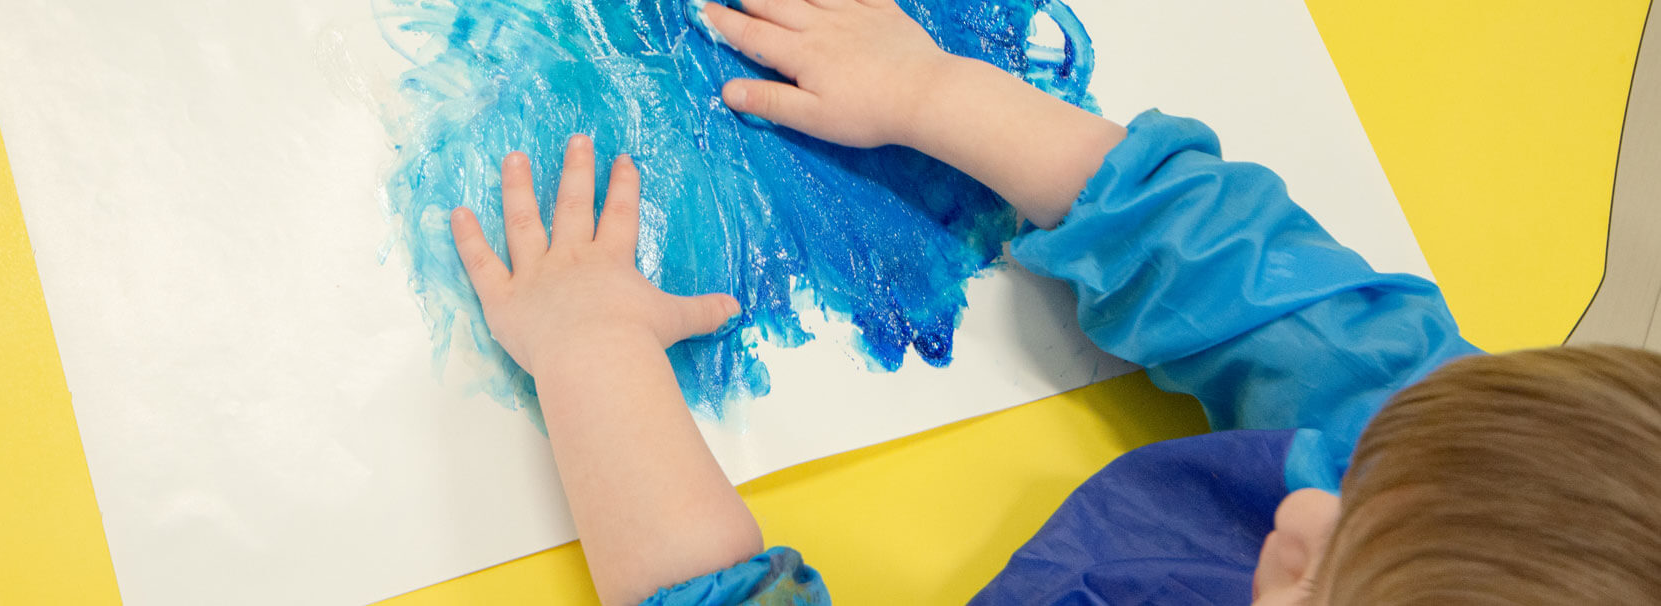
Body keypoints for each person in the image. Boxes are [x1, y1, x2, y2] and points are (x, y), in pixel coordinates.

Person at [443, 0, 1661, 604]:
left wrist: (592, 354)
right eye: (1355, 471)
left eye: (1313, 572)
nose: (1299, 497)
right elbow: (1228, 259)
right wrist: (932, 94)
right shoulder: (1467, 477)